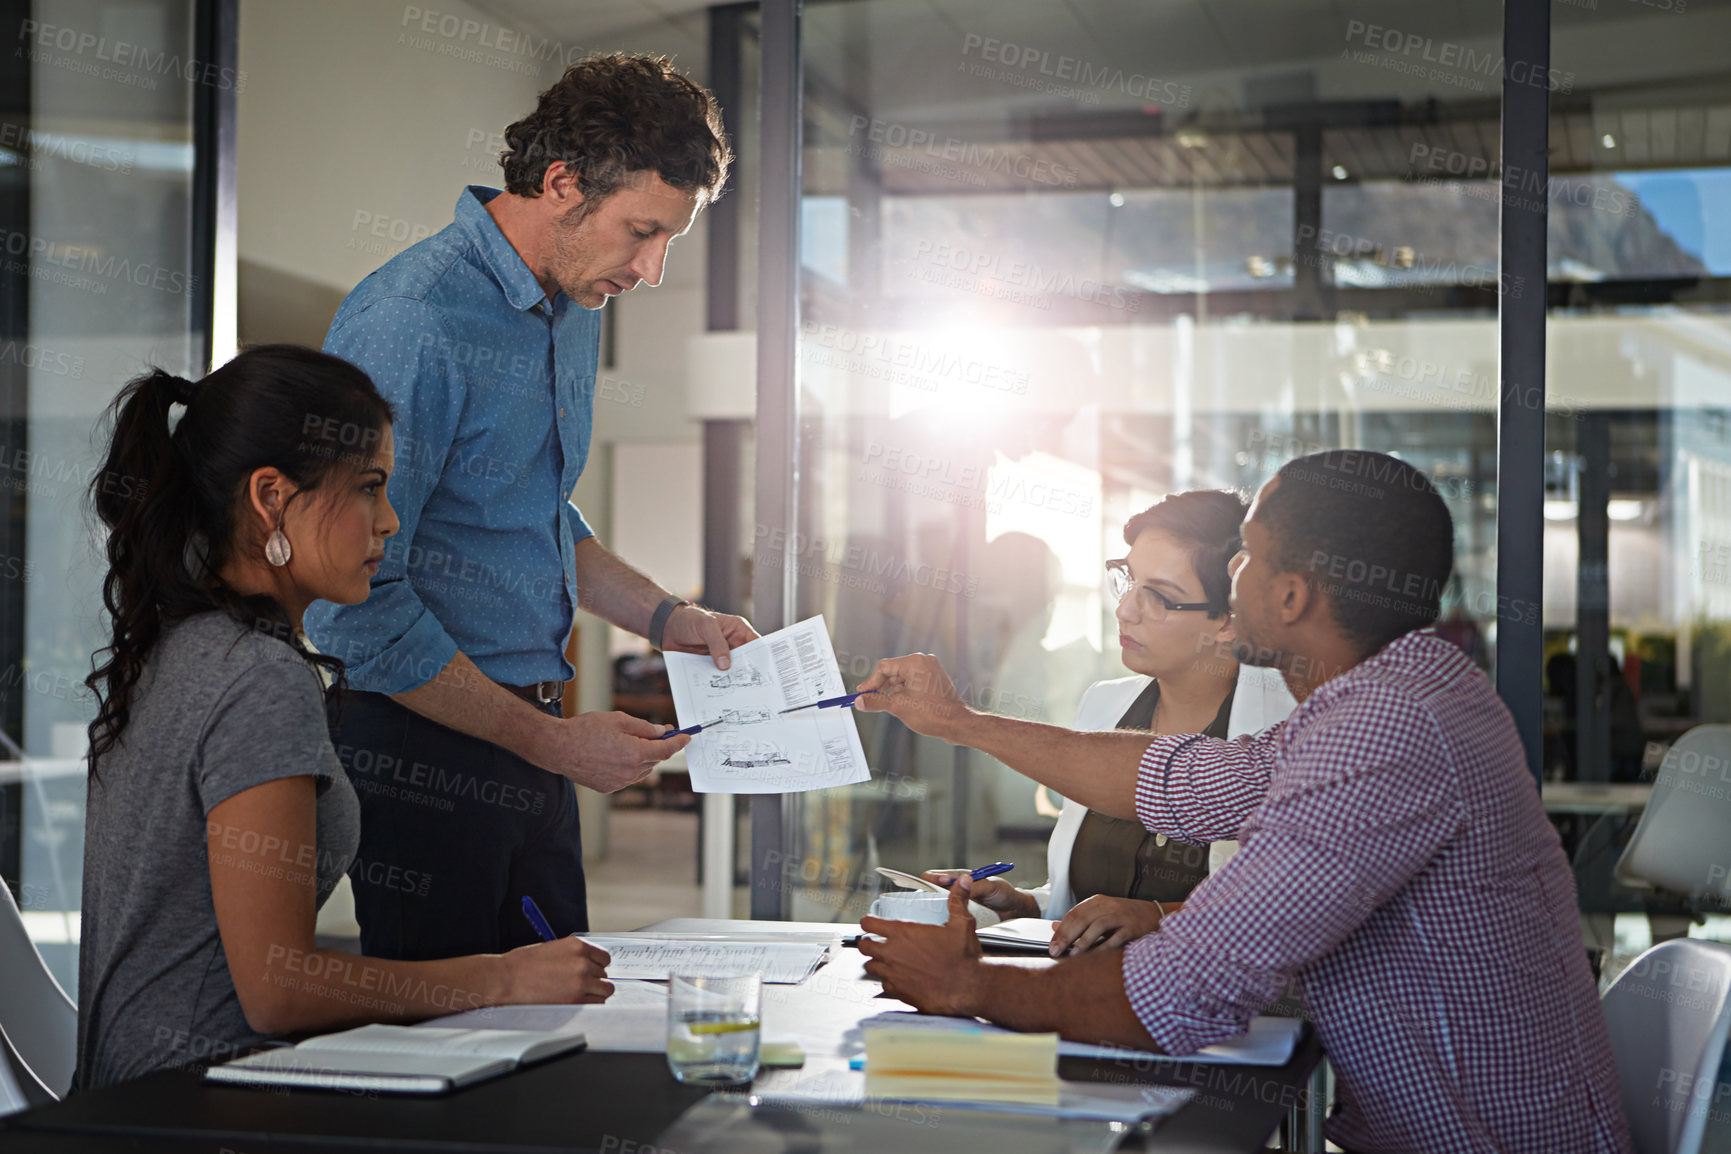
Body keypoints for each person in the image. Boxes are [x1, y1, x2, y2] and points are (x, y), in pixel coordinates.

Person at [854, 450, 1633, 1154]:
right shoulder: (1393, 695)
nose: (1232, 573)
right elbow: (1175, 780)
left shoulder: (1385, 727)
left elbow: (1184, 992)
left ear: (1289, 595)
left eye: (1246, 555)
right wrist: (957, 721)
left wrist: (970, 987)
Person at [303, 53, 754, 961]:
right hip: (424, 747)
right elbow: (351, 603)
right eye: (640, 231)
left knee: (558, 1023)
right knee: (452, 1058)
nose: (652, 269)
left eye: (667, 239)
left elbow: (537, 515)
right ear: (561, 184)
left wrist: (667, 618)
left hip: (533, 737)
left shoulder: (570, 301)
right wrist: (548, 744)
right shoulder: (414, 320)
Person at [75, 348, 617, 1091]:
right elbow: (278, 991)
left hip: (145, 1096)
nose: (390, 522)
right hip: (200, 1104)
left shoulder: (180, 646)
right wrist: (504, 978)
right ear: (270, 498)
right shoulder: (259, 678)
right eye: (369, 488)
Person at [925, 491, 1294, 956]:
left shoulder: (1289, 729)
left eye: (1159, 597)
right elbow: (1082, 904)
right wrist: (1023, 908)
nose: (1125, 610)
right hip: (1078, 1006)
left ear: (1228, 619)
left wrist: (1157, 917)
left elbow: (1293, 911)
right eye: (1128, 579)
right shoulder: (1105, 706)